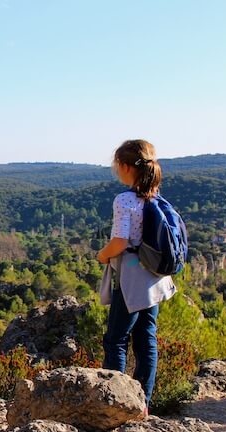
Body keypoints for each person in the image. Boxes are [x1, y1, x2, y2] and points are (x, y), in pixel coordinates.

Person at [97, 139, 176, 413]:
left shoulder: (125, 200)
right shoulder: (155, 198)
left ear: (126, 167)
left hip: (131, 279)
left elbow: (120, 241)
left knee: (116, 339)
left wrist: (103, 255)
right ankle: (143, 404)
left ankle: (115, 404)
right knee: (146, 338)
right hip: (155, 277)